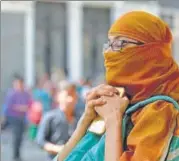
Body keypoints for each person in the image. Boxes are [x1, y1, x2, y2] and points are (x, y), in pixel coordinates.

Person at [53, 11, 179, 161]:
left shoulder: (160, 110)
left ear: (151, 51)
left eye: (120, 43)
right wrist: (85, 121)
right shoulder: (121, 101)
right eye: (109, 44)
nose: (109, 53)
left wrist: (113, 121)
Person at [36, 81, 78, 160]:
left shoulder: (81, 118)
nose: (71, 99)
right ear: (58, 96)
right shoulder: (50, 117)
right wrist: (58, 149)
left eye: (73, 95)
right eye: (68, 95)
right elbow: (40, 141)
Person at [5, 75, 31, 161]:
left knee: (20, 136)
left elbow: (30, 103)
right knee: (16, 136)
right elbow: (9, 106)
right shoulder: (11, 94)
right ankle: (15, 155)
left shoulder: (26, 93)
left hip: (22, 117)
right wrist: (20, 108)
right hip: (14, 117)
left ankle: (18, 153)